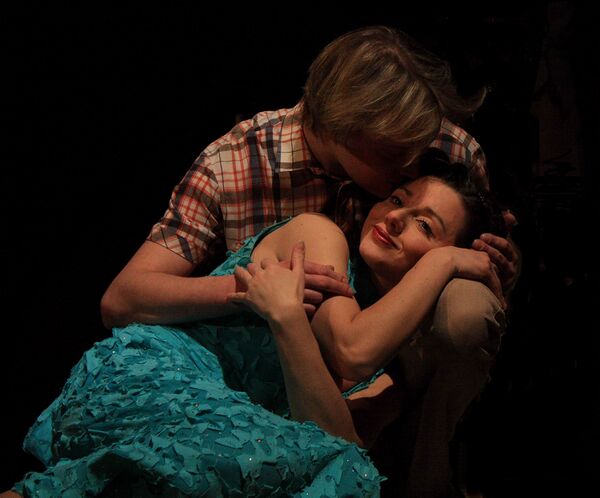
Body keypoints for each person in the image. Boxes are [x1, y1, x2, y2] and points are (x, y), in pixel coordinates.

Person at [6, 160, 506, 497]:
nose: (395, 217)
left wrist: (287, 318)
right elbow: (353, 349)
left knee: (345, 473)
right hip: (151, 373)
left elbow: (333, 444)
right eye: (398, 198)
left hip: (211, 428)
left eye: (425, 225)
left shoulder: (388, 374)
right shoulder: (320, 236)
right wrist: (439, 262)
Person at [99, 25, 519, 331]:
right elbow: (123, 299)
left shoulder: (446, 147)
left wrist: (500, 263)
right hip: (274, 364)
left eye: (418, 144)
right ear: (342, 128)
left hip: (404, 354)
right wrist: (259, 289)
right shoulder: (234, 161)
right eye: (394, 152)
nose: (413, 165)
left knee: (467, 311)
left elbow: (487, 257)